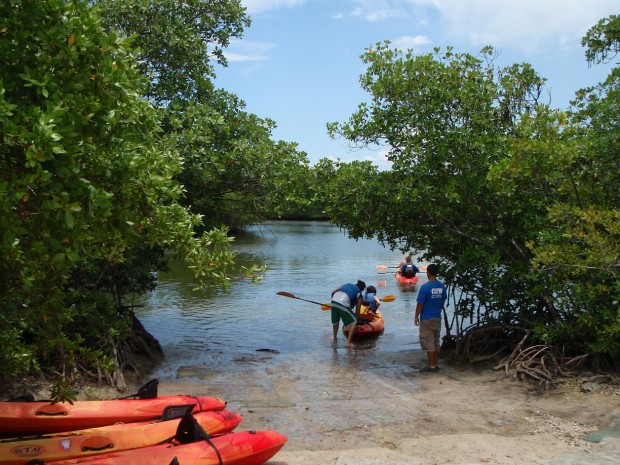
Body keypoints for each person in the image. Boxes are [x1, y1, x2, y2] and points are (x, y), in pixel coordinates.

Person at [414, 264, 447, 372]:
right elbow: (442, 301)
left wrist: (416, 316)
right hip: (437, 317)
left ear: (427, 272)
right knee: (435, 341)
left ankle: (431, 366)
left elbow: (420, 304)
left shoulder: (425, 287)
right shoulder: (442, 287)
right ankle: (435, 364)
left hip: (427, 318)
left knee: (428, 341)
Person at [330, 280, 365, 347]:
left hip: (333, 301)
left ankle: (334, 338)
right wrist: (356, 323)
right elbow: (357, 311)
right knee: (354, 322)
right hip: (343, 303)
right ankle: (348, 343)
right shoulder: (359, 294)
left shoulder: (346, 284)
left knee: (336, 322)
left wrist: (334, 303)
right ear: (362, 289)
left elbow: (333, 292)